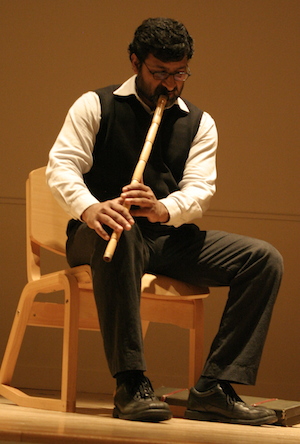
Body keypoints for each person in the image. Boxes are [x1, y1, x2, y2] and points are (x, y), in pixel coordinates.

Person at [46, 17, 283, 425]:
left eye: (180, 73)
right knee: (121, 229)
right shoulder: (95, 105)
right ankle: (131, 383)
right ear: (136, 61)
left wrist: (162, 209)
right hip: (98, 232)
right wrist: (92, 207)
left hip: (163, 236)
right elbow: (61, 167)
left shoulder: (199, 123)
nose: (171, 85)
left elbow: (199, 191)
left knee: (263, 259)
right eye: (160, 73)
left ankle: (214, 388)